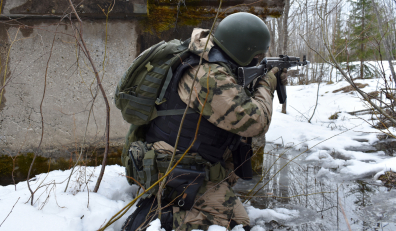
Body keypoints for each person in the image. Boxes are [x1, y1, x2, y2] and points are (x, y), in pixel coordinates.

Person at [122, 12, 287, 231]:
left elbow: (232, 96)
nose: (258, 60)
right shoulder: (208, 76)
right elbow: (255, 122)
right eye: (256, 56)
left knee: (236, 215)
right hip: (172, 167)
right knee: (236, 223)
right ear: (243, 51)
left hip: (178, 160)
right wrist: (267, 83)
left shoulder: (208, 58)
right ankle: (153, 218)